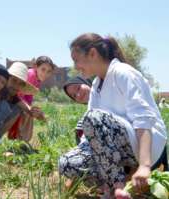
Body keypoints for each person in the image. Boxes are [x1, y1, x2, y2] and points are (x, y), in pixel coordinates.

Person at [58, 33, 167, 198]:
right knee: (67, 163)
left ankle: (117, 186)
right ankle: (120, 181)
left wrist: (144, 165)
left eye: (76, 60)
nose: (75, 66)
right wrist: (75, 167)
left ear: (93, 53)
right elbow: (90, 136)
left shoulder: (123, 73)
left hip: (146, 146)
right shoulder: (96, 85)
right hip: (117, 149)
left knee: (92, 118)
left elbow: (143, 119)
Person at [0, 62, 40, 141]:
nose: (16, 86)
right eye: (14, 80)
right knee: (5, 105)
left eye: (20, 84)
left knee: (19, 109)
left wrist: (33, 111)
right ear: (7, 79)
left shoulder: (12, 96)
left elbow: (24, 106)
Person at [9, 56, 55, 141]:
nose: (45, 74)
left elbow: (29, 95)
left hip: (19, 101)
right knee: (26, 113)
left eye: (48, 71)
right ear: (35, 67)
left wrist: (30, 108)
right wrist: (29, 108)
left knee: (30, 113)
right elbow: (18, 94)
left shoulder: (37, 79)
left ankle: (21, 140)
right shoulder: (30, 74)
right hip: (13, 100)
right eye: (43, 69)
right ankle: (17, 138)